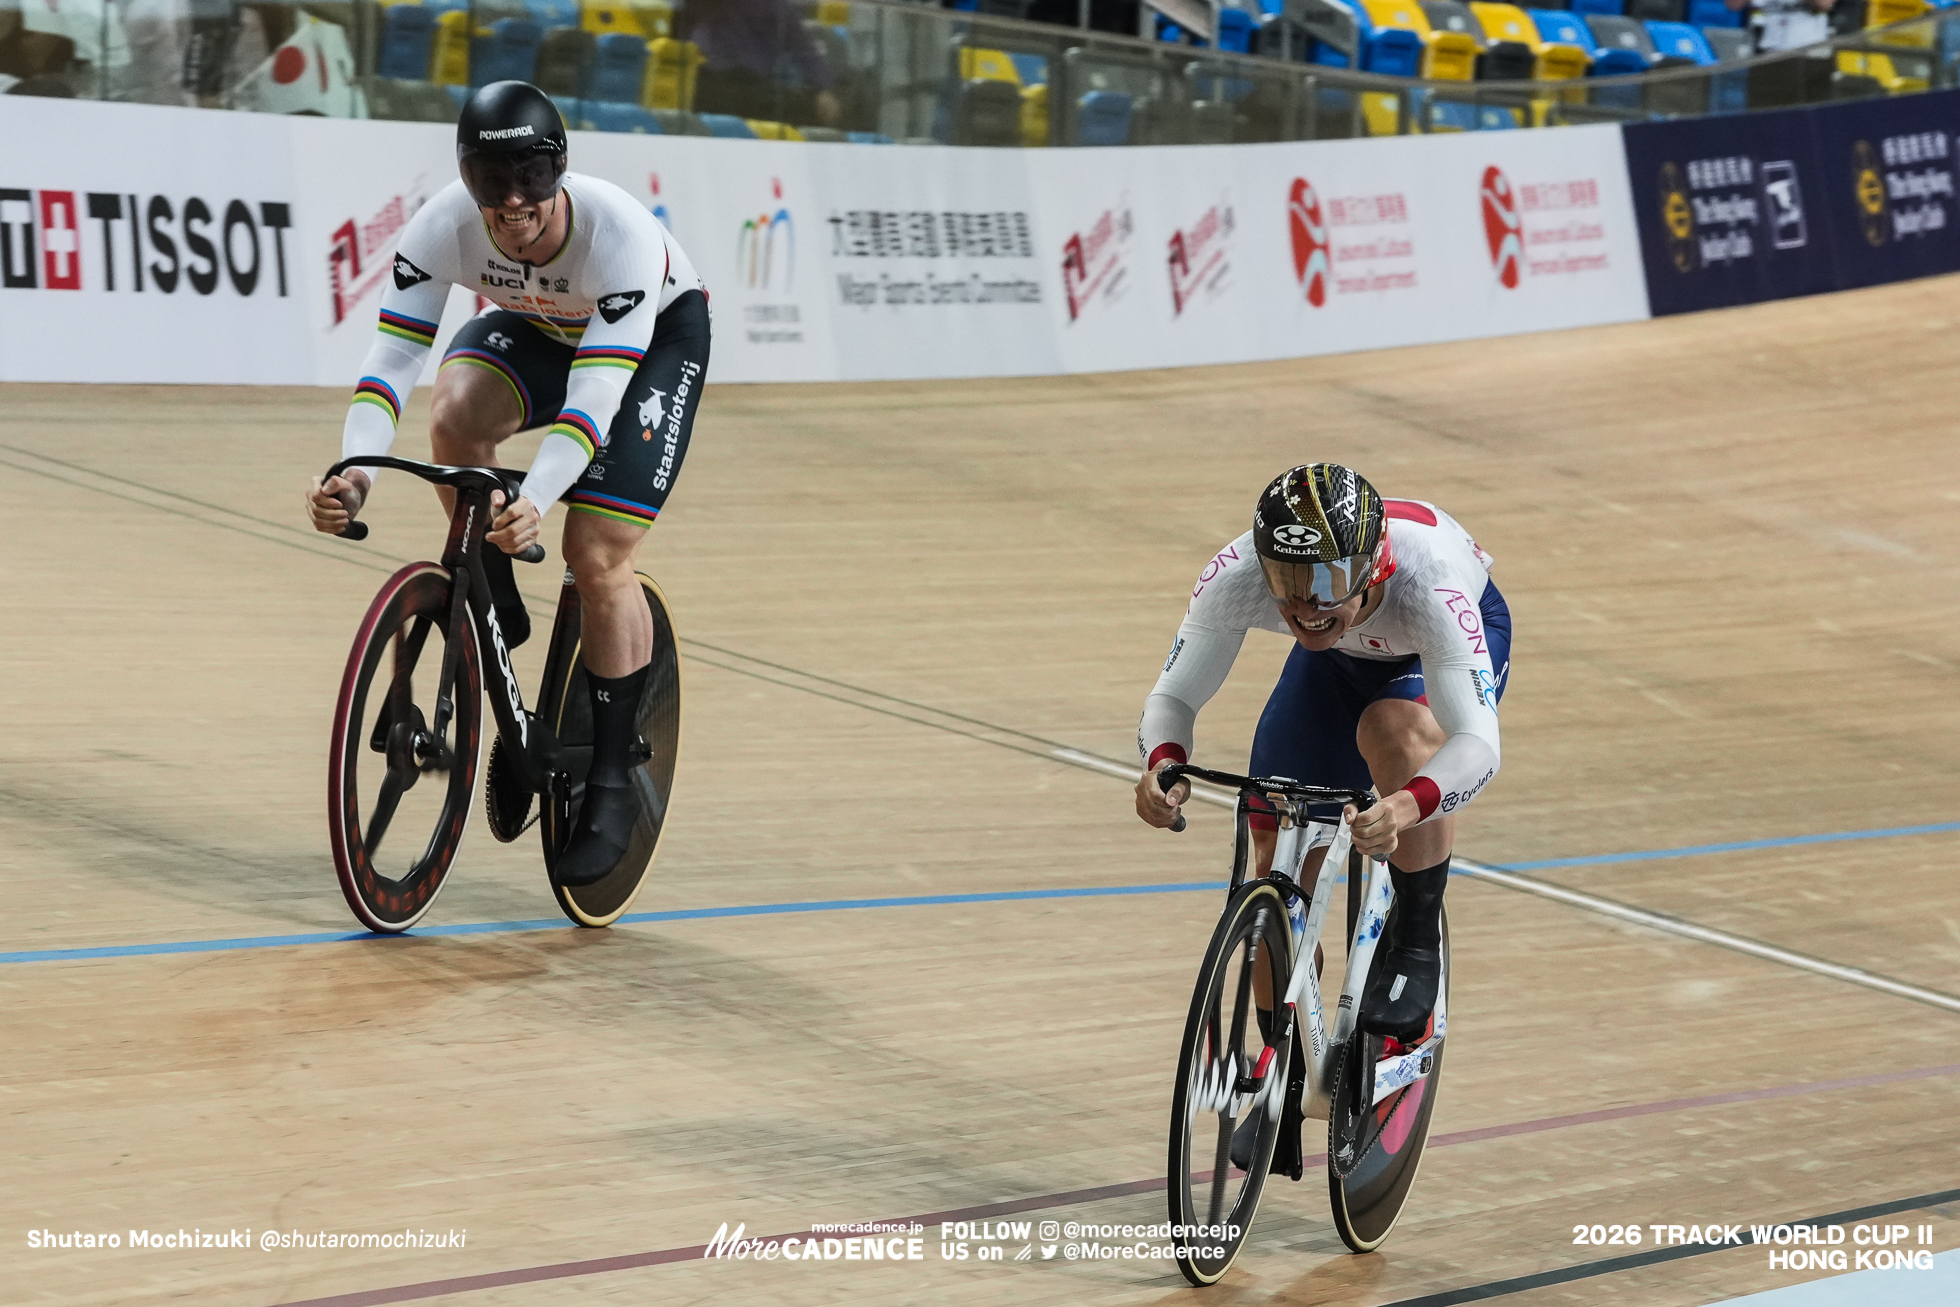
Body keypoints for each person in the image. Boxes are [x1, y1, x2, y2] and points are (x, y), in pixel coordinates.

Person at [305, 80, 710, 888]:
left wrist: (538, 499)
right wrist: (354, 469)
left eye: (532, 176)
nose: (515, 200)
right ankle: (492, 588)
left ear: (559, 171)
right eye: (495, 184)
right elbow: (393, 358)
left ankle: (611, 775)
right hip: (539, 326)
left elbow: (598, 394)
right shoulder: (444, 227)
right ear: (468, 182)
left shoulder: (618, 236)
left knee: (594, 551)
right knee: (454, 419)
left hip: (651, 341)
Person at [1134, 464, 1510, 1058]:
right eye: (1285, 578)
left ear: (1372, 568)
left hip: (1436, 649)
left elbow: (1480, 744)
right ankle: (1280, 1074)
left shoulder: (1430, 586)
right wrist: (1164, 762)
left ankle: (1415, 939)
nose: (1305, 602)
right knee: (1268, 889)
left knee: (1393, 730)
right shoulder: (1238, 575)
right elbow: (1174, 695)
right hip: (1340, 656)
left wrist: (1409, 804)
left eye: (1327, 580)